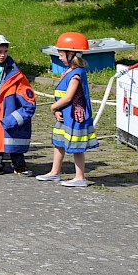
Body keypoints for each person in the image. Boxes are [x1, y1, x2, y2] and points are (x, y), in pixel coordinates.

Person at [38, 32, 99, 187]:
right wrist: (58, 110)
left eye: (61, 54)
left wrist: (53, 107)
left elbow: (68, 97)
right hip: (65, 115)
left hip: (75, 117)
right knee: (59, 141)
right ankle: (55, 172)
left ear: (71, 54)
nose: (59, 57)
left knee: (77, 147)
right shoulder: (70, 71)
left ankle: (80, 177)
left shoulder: (77, 74)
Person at [0, 35, 36, 177]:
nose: (2, 55)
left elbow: (27, 97)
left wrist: (16, 116)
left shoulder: (14, 72)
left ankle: (19, 164)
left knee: (13, 137)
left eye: (5, 51)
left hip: (9, 109)